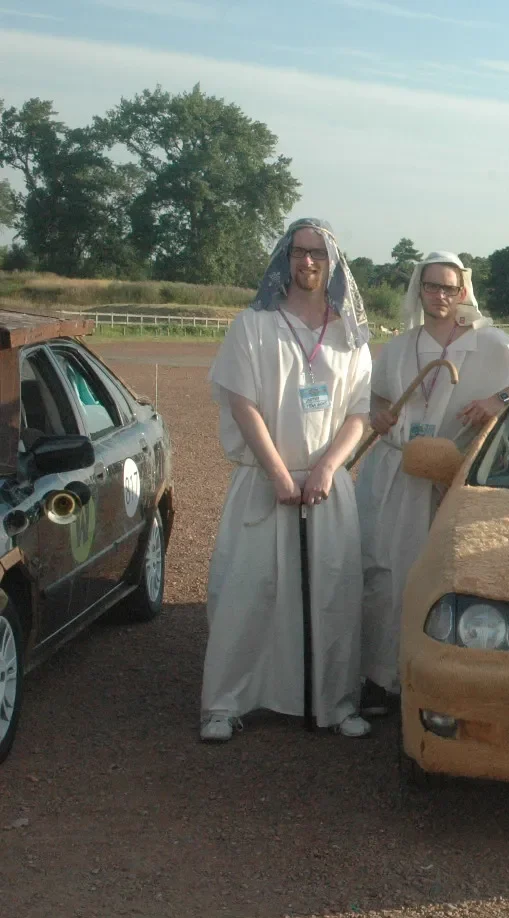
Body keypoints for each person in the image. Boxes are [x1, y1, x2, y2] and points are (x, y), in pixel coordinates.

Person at [354, 251, 509, 715]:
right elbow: (377, 396)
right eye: (432, 287)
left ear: (462, 291)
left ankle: (445, 681)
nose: (440, 295)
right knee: (386, 575)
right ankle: (381, 677)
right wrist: (379, 414)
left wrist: (497, 400)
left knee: (450, 578)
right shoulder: (402, 347)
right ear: (419, 290)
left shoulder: (488, 344)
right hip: (399, 477)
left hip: (455, 478)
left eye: (449, 288)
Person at [200, 219, 374, 742]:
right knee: (246, 590)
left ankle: (335, 702)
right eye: (299, 252)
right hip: (264, 481)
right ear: (285, 258)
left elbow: (359, 413)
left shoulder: (350, 334)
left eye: (318, 253)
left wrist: (326, 469)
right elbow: (242, 402)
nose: (308, 262)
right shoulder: (252, 326)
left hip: (327, 487)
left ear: (333, 262)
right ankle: (226, 703)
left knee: (333, 594)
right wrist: (278, 472)